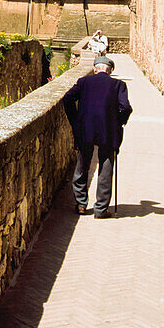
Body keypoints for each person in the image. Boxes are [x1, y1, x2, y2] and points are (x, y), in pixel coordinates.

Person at [62, 55, 132, 218]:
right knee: (106, 167)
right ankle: (100, 209)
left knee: (82, 165)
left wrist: (75, 120)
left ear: (95, 69)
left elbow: (68, 98)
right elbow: (126, 107)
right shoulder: (118, 85)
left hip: (85, 129)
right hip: (108, 131)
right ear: (111, 70)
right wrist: (119, 121)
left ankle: (80, 204)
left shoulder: (84, 82)